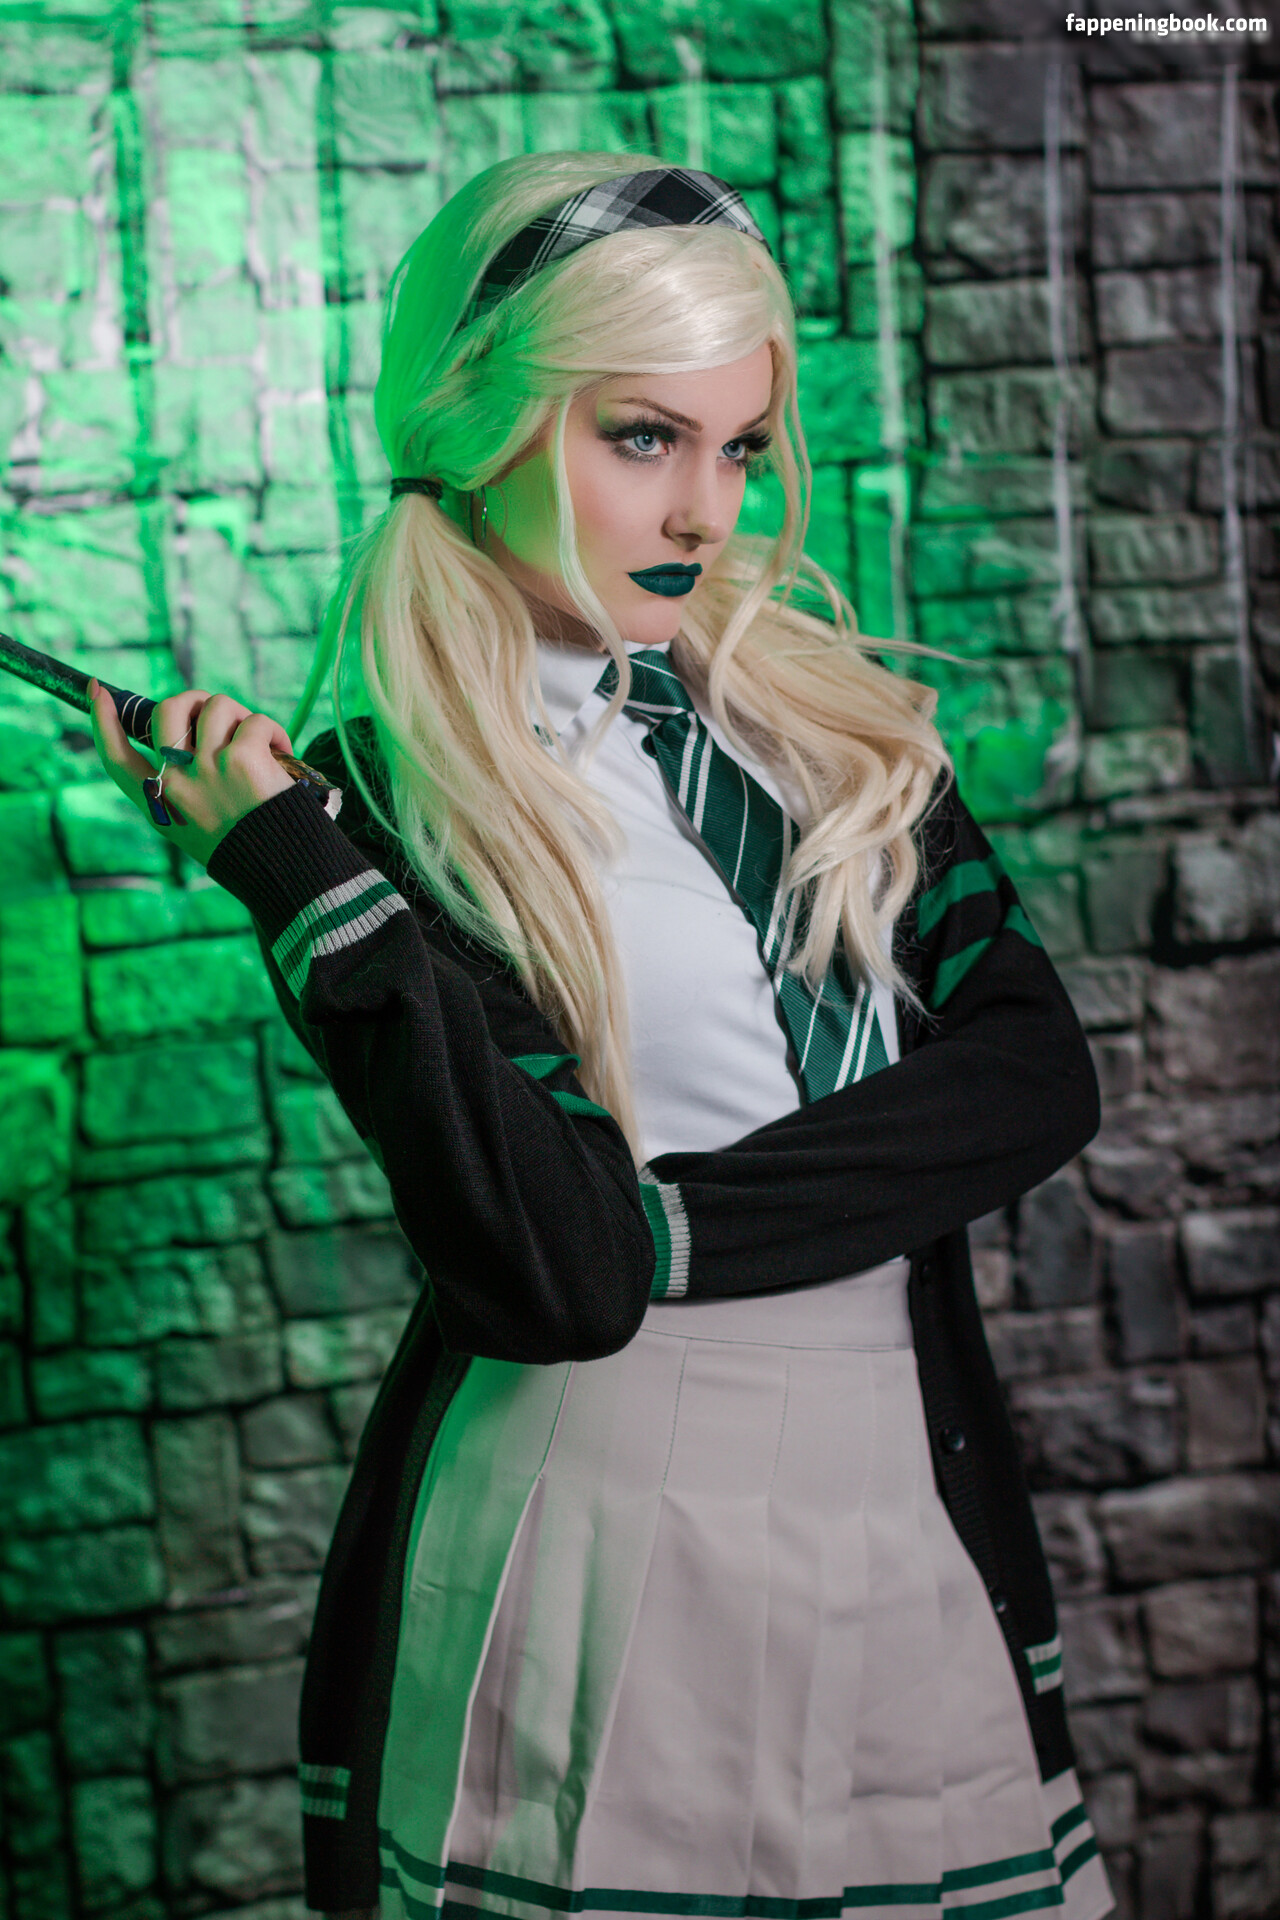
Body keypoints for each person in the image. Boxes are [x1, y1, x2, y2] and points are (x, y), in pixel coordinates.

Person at [91, 153, 1112, 1920]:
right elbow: (554, 1274)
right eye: (643, 438)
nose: (705, 510)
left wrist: (664, 1226)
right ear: (482, 423)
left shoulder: (839, 731)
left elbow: (1034, 1079)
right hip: (604, 1515)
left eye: (739, 447)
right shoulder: (379, 811)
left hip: (894, 1473)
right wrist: (295, 875)